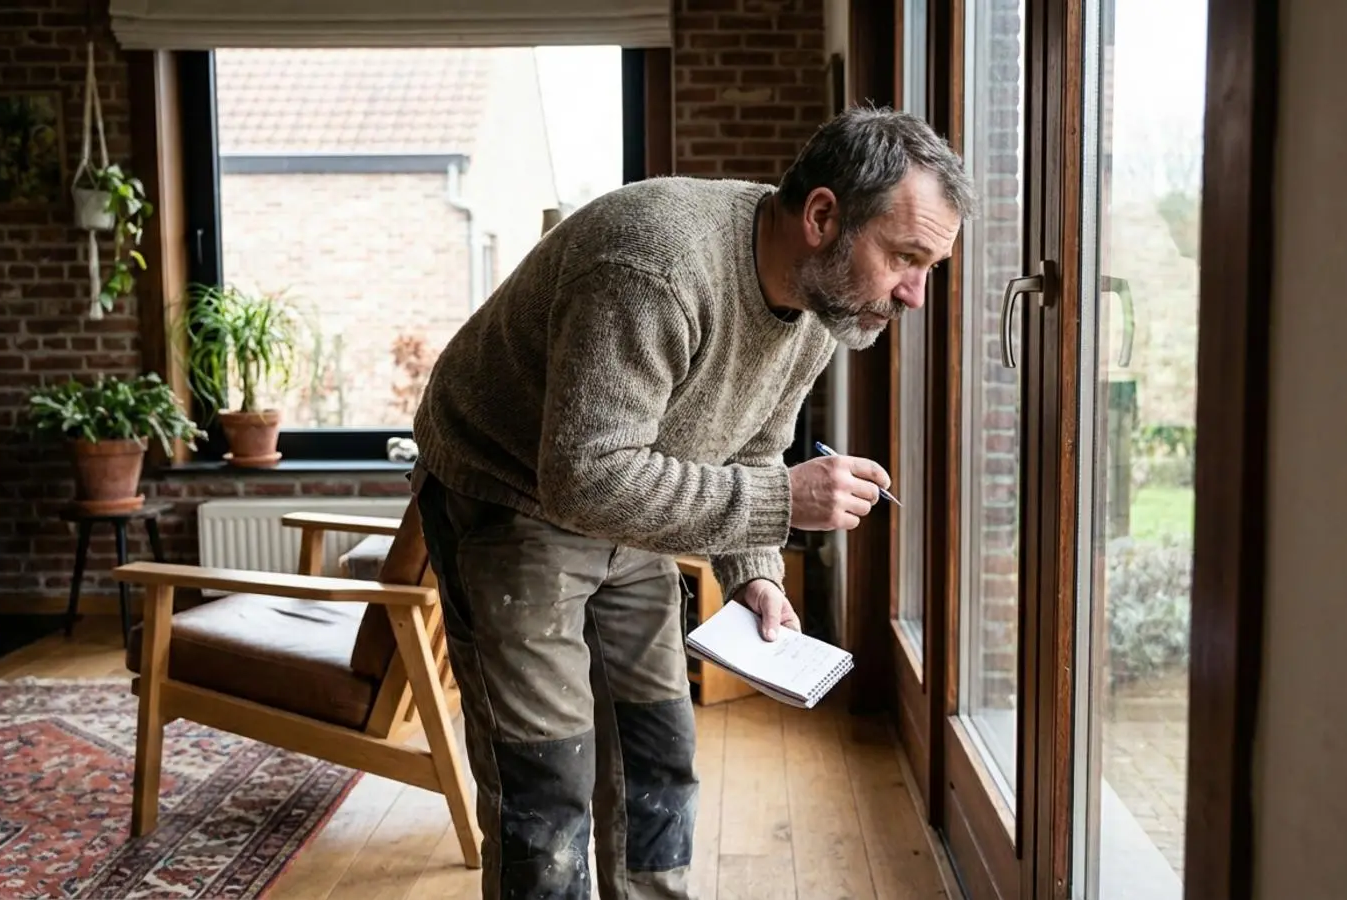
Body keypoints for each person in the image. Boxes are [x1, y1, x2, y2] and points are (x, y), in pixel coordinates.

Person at [409, 106, 973, 900]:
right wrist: (781, 502)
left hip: (632, 492)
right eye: (905, 257)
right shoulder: (656, 264)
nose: (914, 293)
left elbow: (752, 445)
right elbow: (584, 477)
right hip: (511, 495)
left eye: (930, 267)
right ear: (822, 217)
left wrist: (755, 574)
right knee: (547, 782)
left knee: (657, 754)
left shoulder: (826, 305)